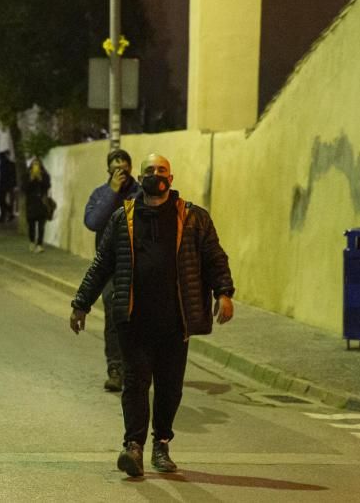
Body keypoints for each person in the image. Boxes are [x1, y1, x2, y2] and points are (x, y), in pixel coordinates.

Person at [69, 153, 235, 477]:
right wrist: (81, 303)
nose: (155, 175)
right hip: (134, 320)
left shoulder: (193, 218)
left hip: (176, 322)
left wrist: (224, 293)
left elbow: (215, 257)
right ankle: (133, 447)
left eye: (161, 170)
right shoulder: (123, 218)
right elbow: (102, 264)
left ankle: (161, 444)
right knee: (135, 384)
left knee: (170, 387)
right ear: (141, 177)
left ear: (171, 179)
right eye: (149, 170)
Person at [83, 149, 142, 393]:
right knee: (113, 315)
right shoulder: (100, 194)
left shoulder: (140, 193)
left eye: (124, 168)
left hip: (138, 265)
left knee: (138, 318)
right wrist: (113, 191)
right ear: (108, 170)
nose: (121, 173)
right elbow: (93, 222)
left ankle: (136, 369)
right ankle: (115, 369)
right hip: (110, 267)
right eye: (116, 168)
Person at [23, 159, 52, 253]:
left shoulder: (45, 175)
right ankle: (32, 242)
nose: (36, 166)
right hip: (31, 203)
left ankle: (39, 244)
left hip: (41, 202)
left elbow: (47, 186)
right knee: (31, 225)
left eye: (37, 164)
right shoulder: (27, 175)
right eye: (34, 164)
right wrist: (31, 179)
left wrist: (40, 179)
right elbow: (24, 189)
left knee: (41, 226)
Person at [0, 151, 17, 223]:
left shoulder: (3, 165)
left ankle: (6, 214)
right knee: (3, 201)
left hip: (5, 185)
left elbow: (3, 176)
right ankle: (9, 213)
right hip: (8, 185)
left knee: (2, 201)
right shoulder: (9, 164)